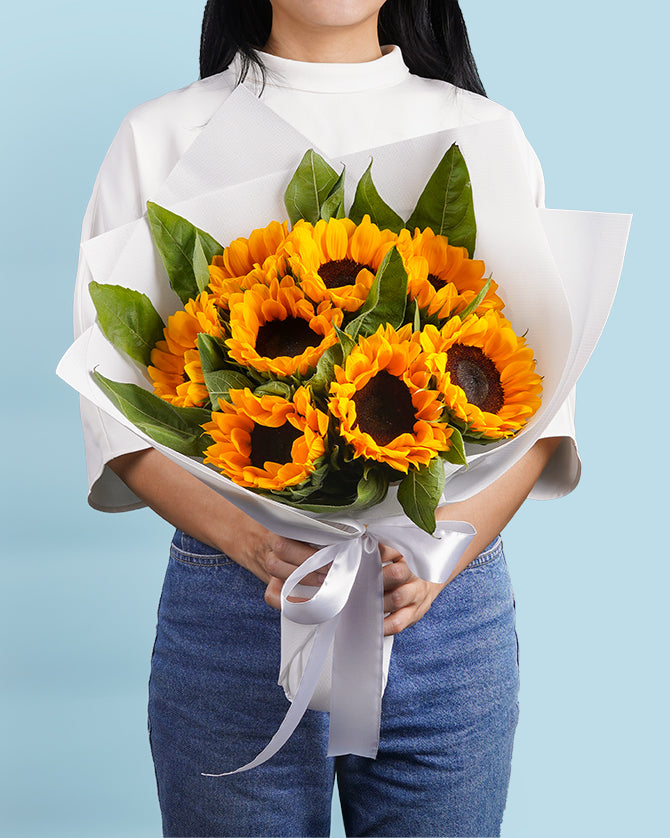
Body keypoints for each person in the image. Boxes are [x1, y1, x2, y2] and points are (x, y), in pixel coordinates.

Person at [71, 1, 580, 835]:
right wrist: (250, 543)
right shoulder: (161, 135)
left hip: (440, 613)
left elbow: (547, 408)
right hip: (237, 606)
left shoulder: (482, 130)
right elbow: (115, 412)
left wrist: (439, 555)